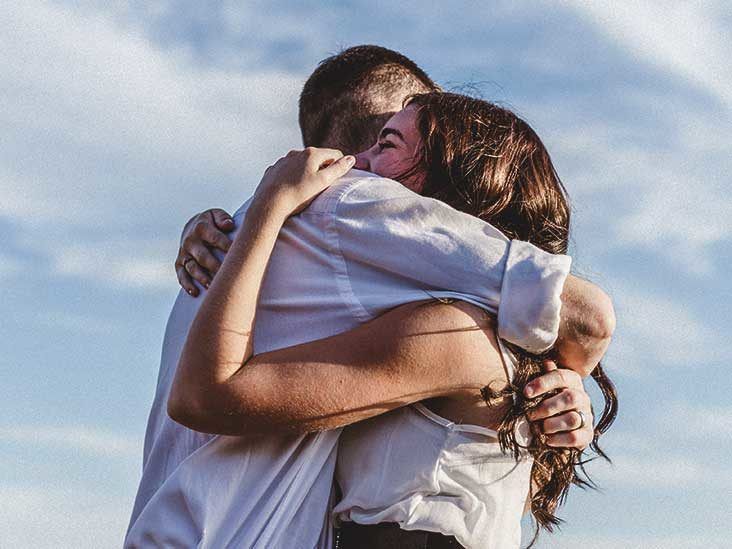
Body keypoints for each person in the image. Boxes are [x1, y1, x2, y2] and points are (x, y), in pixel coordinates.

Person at [125, 46, 613, 548]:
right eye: (386, 136)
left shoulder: (262, 233)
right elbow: (588, 317)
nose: (361, 166)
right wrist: (563, 376)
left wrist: (556, 382)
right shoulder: (353, 207)